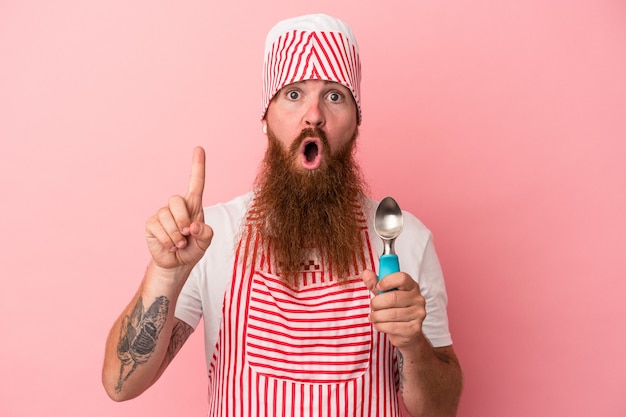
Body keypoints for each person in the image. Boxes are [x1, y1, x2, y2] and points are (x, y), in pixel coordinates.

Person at [102, 13, 463, 417]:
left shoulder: (405, 238)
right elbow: (121, 385)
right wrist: (165, 272)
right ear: (266, 118)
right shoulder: (210, 235)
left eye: (334, 95)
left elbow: (442, 409)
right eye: (293, 94)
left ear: (356, 123)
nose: (313, 115)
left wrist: (413, 345)